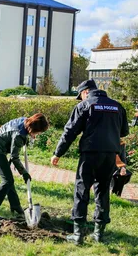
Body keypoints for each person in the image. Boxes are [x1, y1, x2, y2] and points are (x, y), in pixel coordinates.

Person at [51, 79, 129, 245]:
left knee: (82, 190)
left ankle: (78, 235)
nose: (81, 99)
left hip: (90, 155)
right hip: (109, 156)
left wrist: (58, 153)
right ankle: (99, 234)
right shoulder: (117, 106)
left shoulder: (85, 106)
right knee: (102, 191)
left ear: (85, 91)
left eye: (80, 96)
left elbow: (69, 132)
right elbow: (123, 132)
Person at [0, 113, 49, 219]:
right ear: (33, 127)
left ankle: (15, 206)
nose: (37, 134)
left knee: (9, 179)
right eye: (38, 132)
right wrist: (24, 172)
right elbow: (14, 157)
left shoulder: (26, 121)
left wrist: (28, 136)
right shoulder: (19, 135)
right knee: (7, 180)